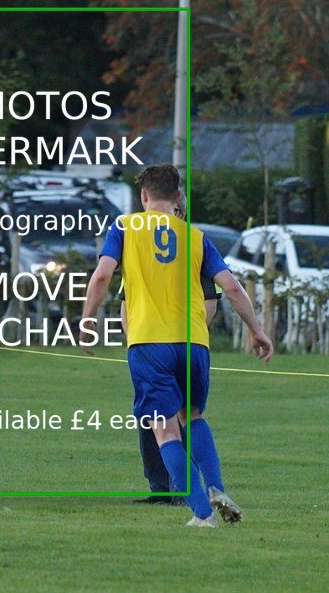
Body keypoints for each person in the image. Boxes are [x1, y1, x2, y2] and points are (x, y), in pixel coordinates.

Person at [79, 163, 273, 527]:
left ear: (144, 196)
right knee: (193, 417)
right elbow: (231, 287)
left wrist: (87, 319)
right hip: (195, 345)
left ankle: (202, 513)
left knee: (164, 428)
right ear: (178, 196)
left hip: (150, 343)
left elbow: (103, 274)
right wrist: (257, 330)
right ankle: (216, 488)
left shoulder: (124, 228)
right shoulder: (196, 236)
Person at [122, 190, 221, 504]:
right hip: (150, 343)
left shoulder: (194, 246)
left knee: (179, 419)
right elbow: (126, 302)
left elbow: (210, 300)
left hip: (175, 342)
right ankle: (162, 487)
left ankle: (189, 494)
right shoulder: (140, 248)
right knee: (155, 419)